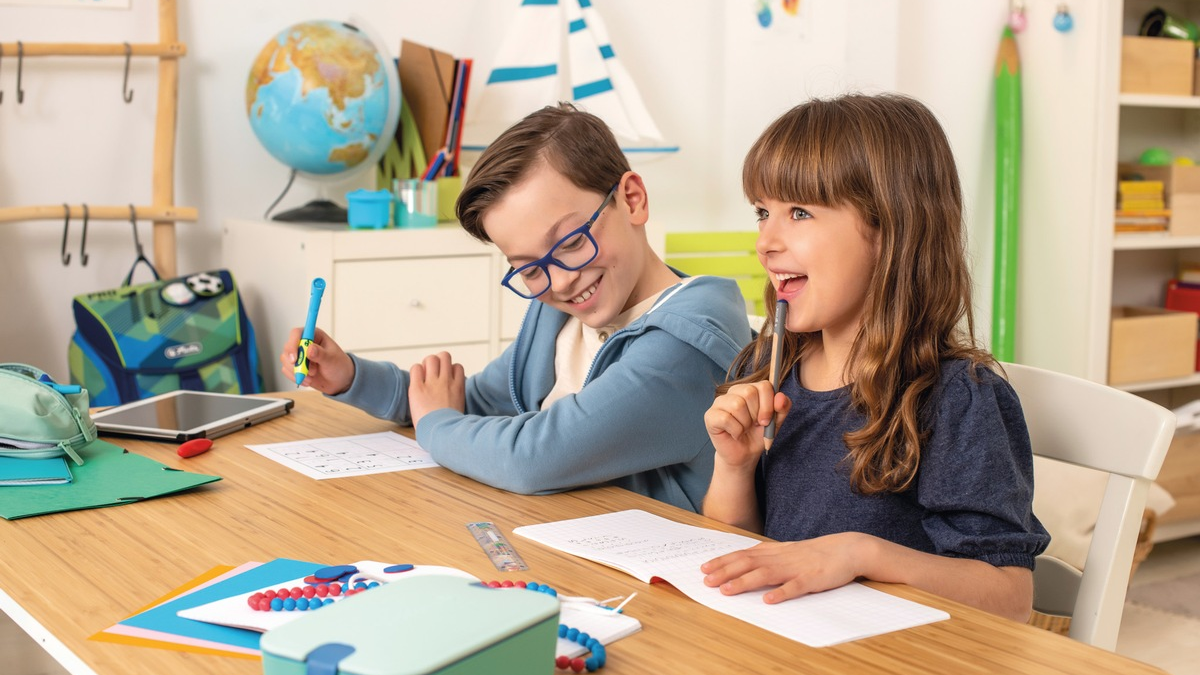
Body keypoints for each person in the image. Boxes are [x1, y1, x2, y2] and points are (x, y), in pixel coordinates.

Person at [279, 102, 752, 512]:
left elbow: (535, 456)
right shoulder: (560, 317)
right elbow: (473, 403)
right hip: (557, 542)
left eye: (570, 241)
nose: (562, 280)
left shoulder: (686, 345)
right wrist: (351, 377)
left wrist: (437, 426)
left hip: (662, 580)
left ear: (631, 199)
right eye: (529, 268)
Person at [699, 93, 1049, 621]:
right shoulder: (771, 367)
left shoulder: (957, 398)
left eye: (798, 213)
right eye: (762, 213)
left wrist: (862, 554)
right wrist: (734, 466)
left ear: (891, 229)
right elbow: (734, 560)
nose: (766, 241)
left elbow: (1010, 599)